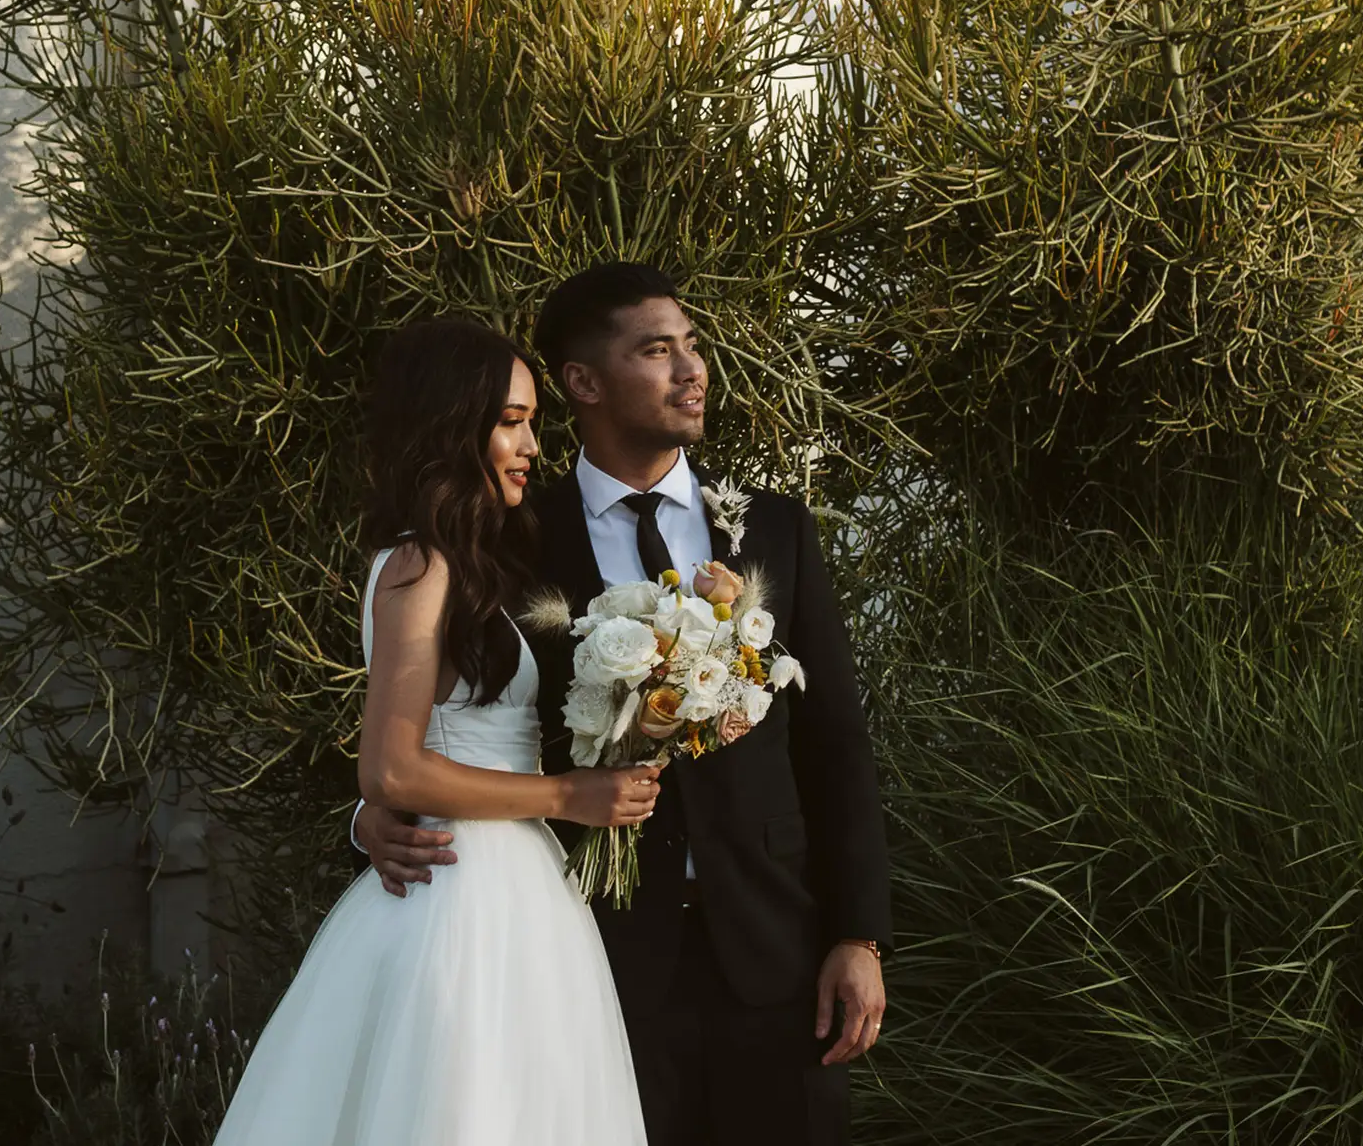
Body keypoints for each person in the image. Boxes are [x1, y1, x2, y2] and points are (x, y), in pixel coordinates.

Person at [358, 265, 891, 1146]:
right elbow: (449, 708)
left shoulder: (773, 529)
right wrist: (377, 811)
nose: (693, 369)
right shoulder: (511, 538)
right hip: (591, 960)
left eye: (691, 344)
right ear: (584, 382)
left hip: (775, 954)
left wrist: (860, 935)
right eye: (658, 348)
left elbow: (835, 744)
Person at [215, 316, 660, 1146]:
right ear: (454, 425)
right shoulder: (420, 565)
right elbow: (389, 766)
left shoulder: (474, 561)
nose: (531, 443)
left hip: (519, 889)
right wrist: (569, 794)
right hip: (461, 899)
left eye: (532, 420)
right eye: (511, 420)